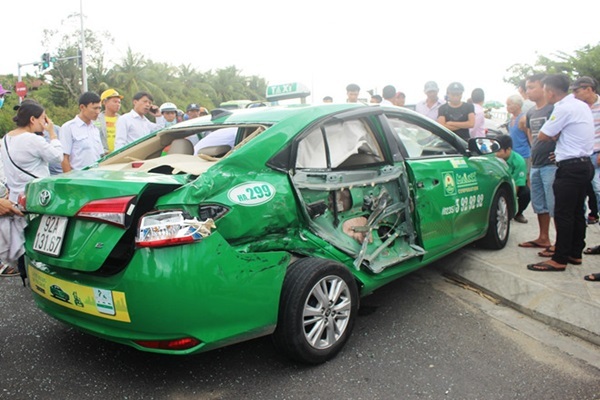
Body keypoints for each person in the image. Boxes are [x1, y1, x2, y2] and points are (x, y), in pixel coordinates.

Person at [526, 74, 594, 272]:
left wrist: (556, 133)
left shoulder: (563, 107)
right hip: (584, 164)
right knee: (577, 213)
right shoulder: (580, 104)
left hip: (570, 167)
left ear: (550, 91)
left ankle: (559, 258)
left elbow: (544, 134)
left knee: (563, 213)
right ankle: (575, 253)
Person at [0, 101, 63, 280]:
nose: (45, 122)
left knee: (23, 239)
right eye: (43, 119)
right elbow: (57, 157)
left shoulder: (6, 139)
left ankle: (25, 275)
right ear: (32, 119)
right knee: (41, 238)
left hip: (15, 198)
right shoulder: (32, 139)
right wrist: (52, 133)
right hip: (37, 197)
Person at [518, 74, 556, 250]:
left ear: (544, 88)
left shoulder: (554, 109)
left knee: (554, 203)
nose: (528, 91)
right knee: (539, 202)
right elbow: (530, 134)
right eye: (527, 87)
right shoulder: (532, 112)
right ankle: (543, 237)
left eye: (532, 87)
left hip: (552, 164)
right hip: (537, 163)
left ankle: (560, 242)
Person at [60, 92, 104, 172]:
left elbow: (100, 155)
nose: (97, 112)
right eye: (94, 108)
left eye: (99, 108)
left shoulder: (95, 128)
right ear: (82, 107)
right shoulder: (68, 127)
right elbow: (64, 158)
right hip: (78, 178)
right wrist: (70, 180)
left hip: (97, 176)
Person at [495, 135, 530, 223]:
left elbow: (517, 184)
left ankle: (518, 213)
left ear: (508, 149)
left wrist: (510, 207)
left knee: (526, 193)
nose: (496, 154)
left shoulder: (519, 161)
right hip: (496, 184)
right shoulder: (493, 158)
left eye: (499, 151)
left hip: (512, 185)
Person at [95, 88, 123, 154]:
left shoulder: (122, 119)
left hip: (120, 155)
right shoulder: (97, 120)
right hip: (103, 157)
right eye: (115, 101)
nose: (118, 104)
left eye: (119, 102)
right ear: (104, 102)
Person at [506, 94, 531, 165]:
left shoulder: (523, 119)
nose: (507, 107)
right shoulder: (511, 119)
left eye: (509, 104)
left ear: (517, 105)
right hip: (513, 154)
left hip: (523, 154)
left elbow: (529, 136)